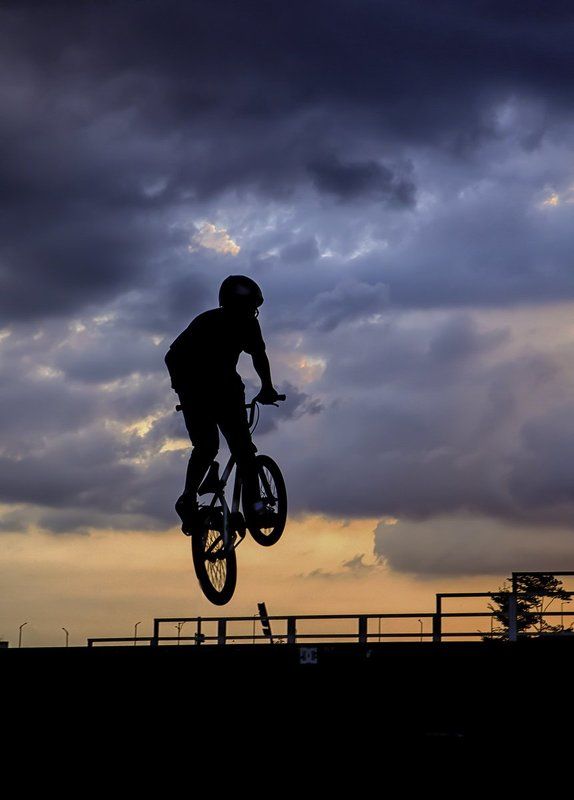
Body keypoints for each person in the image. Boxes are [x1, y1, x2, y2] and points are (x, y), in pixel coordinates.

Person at [165, 275, 282, 533]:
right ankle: (188, 499)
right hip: (198, 390)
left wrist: (267, 387)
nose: (253, 312)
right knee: (209, 447)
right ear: (233, 305)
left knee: (241, 451)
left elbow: (259, 356)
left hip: (226, 390)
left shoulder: (249, 325)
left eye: (254, 308)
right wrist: (183, 390)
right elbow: (172, 356)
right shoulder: (207, 322)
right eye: (250, 306)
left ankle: (256, 509)